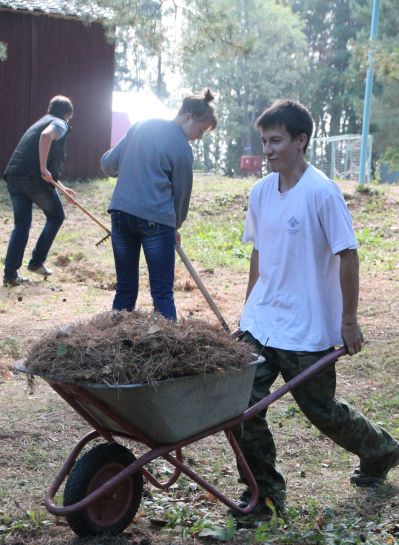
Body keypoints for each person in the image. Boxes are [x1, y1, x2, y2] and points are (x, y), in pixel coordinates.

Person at [234, 99, 399, 521]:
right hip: (263, 322)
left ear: (300, 141)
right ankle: (264, 495)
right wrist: (248, 312)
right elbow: (258, 253)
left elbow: (348, 255)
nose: (268, 150)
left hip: (307, 328)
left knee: (321, 411)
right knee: (239, 407)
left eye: (276, 141)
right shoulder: (260, 193)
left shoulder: (322, 193)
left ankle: (381, 451)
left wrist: (349, 321)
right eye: (264, 141)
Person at [100, 89, 217, 320]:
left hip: (121, 215)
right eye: (201, 130)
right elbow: (182, 195)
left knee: (125, 287)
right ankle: (168, 349)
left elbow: (108, 165)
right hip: (156, 221)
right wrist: (175, 226)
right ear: (189, 117)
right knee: (162, 291)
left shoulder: (141, 125)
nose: (199, 137)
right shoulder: (182, 148)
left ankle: (115, 348)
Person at [3, 95, 75, 287]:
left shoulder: (41, 121)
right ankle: (36, 262)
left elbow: (43, 150)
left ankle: (10, 275)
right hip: (33, 178)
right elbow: (46, 137)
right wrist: (43, 168)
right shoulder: (59, 123)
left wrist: (60, 184)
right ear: (68, 114)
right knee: (56, 217)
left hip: (14, 176)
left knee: (22, 224)